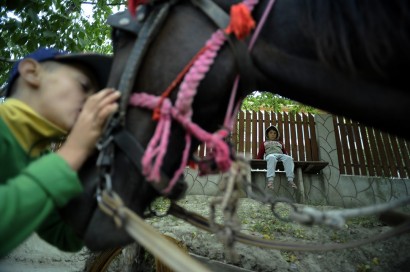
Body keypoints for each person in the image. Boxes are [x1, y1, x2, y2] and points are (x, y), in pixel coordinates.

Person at [0, 47, 120, 257]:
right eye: (84, 86)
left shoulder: (41, 158)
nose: (92, 102)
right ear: (31, 72)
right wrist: (74, 151)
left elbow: (66, 235)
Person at [256, 125, 297, 190]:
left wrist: (287, 157)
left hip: (280, 155)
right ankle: (270, 181)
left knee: (289, 158)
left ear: (277, 135)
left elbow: (284, 152)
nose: (273, 134)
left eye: (275, 133)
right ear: (267, 134)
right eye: (271, 133)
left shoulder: (280, 143)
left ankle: (290, 180)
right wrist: (258, 160)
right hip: (270, 155)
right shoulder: (265, 143)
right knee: (272, 158)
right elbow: (261, 152)